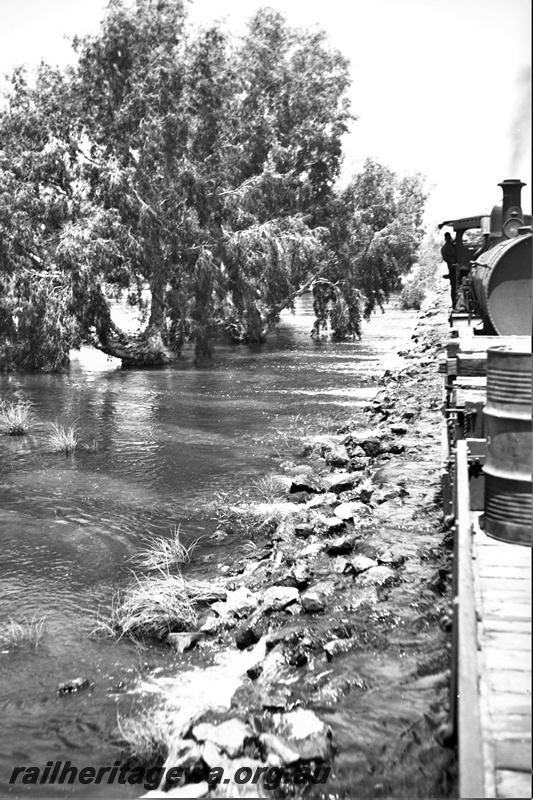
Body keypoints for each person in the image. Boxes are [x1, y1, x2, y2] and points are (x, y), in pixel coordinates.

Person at [441, 232, 457, 306]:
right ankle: (454, 304)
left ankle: (454, 304)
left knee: (454, 288)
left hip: (452, 268)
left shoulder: (445, 248)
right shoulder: (451, 247)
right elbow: (446, 259)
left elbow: (445, 258)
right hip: (453, 269)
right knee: (454, 288)